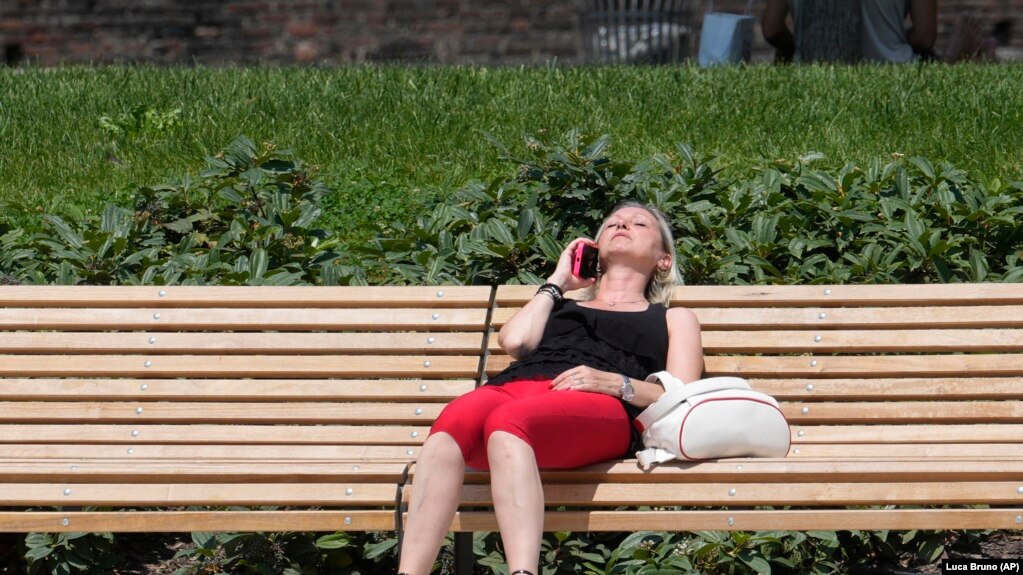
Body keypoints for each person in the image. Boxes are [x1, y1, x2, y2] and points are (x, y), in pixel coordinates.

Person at [396, 202, 704, 575]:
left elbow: (682, 394)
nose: (623, 224)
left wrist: (614, 383)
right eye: (612, 223)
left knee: (509, 423)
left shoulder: (672, 317)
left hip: (598, 406)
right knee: (450, 425)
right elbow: (514, 342)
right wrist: (558, 282)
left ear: (663, 260)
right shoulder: (560, 305)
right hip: (518, 388)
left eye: (639, 223)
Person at [762, 0, 993, 63]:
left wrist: (801, 45)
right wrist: (888, 37)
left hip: (813, 67)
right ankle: (952, 61)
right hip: (893, 67)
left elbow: (772, 29)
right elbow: (924, 38)